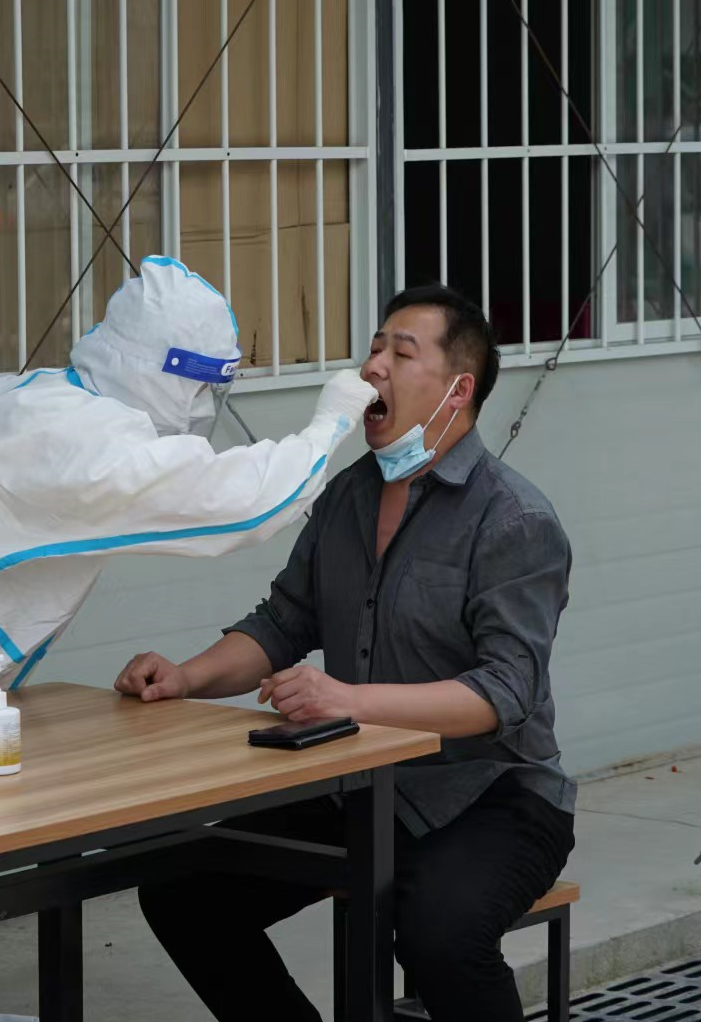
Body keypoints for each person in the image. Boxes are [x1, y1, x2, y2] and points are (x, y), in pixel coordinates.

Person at [0, 255, 377, 1022]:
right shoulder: (83, 444)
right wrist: (331, 421)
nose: (205, 408)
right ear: (164, 372)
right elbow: (243, 504)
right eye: (202, 387)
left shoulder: (57, 402)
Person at [116, 285, 575, 1021]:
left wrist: (347, 700)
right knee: (183, 891)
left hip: (494, 797)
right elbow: (282, 622)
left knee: (438, 935)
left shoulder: (513, 518)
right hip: (360, 789)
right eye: (373, 348)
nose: (373, 368)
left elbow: (504, 692)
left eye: (401, 352)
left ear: (458, 390)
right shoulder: (346, 497)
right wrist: (185, 677)